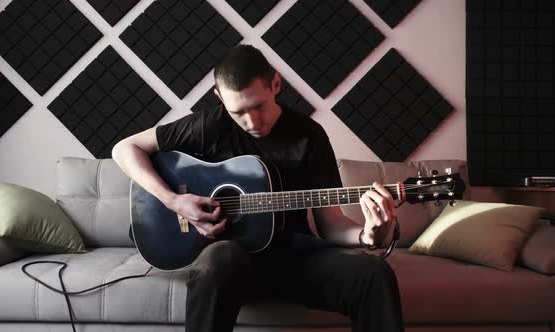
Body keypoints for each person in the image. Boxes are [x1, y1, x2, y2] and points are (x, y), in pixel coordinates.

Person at [112, 44, 403, 332]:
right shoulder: (210, 125)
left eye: (258, 106)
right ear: (219, 97)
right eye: (238, 112)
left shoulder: (309, 136)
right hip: (232, 264)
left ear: (275, 84)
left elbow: (332, 224)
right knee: (220, 258)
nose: (252, 122)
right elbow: (125, 149)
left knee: (374, 273)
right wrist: (173, 200)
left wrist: (368, 235)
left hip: (294, 261)